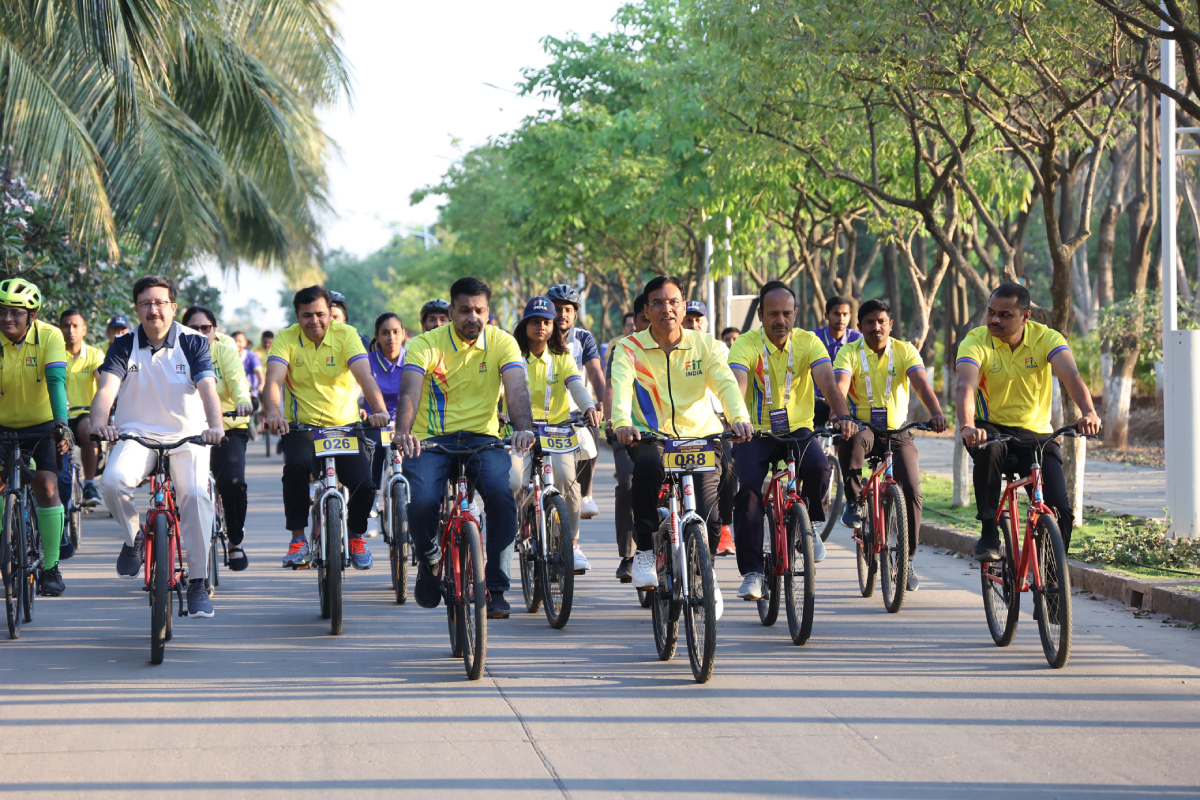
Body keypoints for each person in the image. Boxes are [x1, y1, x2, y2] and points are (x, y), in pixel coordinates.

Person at [610, 276, 753, 612]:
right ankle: (645, 550)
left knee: (711, 514)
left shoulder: (708, 346)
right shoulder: (628, 349)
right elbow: (620, 389)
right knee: (646, 469)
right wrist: (621, 423)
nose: (667, 309)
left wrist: (738, 417)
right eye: (657, 303)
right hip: (652, 437)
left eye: (673, 301)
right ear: (646, 310)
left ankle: (708, 573)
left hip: (700, 437)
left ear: (684, 306)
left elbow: (726, 384)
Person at [395, 277, 535, 619]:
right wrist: (402, 432)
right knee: (424, 501)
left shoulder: (502, 342)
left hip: (483, 440)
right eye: (464, 310)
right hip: (431, 441)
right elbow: (410, 391)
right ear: (450, 311)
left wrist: (524, 428)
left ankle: (497, 586)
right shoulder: (426, 343)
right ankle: (429, 562)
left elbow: (516, 388)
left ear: (488, 311)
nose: (473, 317)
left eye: (480, 310)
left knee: (502, 497)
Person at [91, 275, 226, 618]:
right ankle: (133, 537)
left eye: (160, 302)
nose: (153, 309)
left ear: (173, 307)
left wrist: (215, 426)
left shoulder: (193, 342)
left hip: (189, 438)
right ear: (136, 308)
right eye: (146, 303)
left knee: (195, 496)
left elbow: (208, 388)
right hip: (136, 435)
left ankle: (197, 582)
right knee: (112, 482)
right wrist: (99, 423)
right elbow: (106, 389)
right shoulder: (123, 344)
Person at [955, 283, 1101, 561]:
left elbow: (1070, 374)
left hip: (1036, 434)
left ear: (1026, 316)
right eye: (991, 312)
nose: (995, 319)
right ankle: (988, 531)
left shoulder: (1047, 338)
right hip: (989, 428)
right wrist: (967, 425)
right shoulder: (975, 341)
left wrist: (1089, 411)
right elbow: (965, 385)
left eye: (1005, 314)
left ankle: (1050, 579)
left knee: (1059, 508)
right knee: (990, 449)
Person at [727, 281, 847, 600]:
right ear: (760, 315)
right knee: (750, 492)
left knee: (820, 469)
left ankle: (807, 528)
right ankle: (752, 572)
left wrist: (843, 415)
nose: (780, 319)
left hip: (798, 429)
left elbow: (828, 382)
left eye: (786, 313)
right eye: (773, 313)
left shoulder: (808, 342)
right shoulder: (746, 344)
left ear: (795, 314)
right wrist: (737, 418)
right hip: (755, 431)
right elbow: (737, 382)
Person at [262, 286, 390, 572]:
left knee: (365, 483)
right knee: (295, 467)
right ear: (297, 315)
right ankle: (298, 540)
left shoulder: (347, 335)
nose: (314, 320)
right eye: (306, 315)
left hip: (344, 429)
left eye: (320, 314)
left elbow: (365, 377)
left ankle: (356, 536)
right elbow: (273, 381)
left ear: (330, 313)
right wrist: (273, 413)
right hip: (303, 428)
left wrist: (379, 410)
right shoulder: (286, 338)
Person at [834, 299, 947, 591]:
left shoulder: (905, 350)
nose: (876, 327)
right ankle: (856, 500)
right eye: (869, 322)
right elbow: (841, 384)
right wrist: (842, 416)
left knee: (911, 489)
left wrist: (936, 412)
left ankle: (906, 560)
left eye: (882, 321)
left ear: (890, 325)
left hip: (898, 432)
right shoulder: (849, 353)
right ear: (859, 327)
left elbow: (921, 383)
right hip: (864, 428)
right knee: (850, 437)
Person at [506, 296, 601, 572]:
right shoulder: (513, 357)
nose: (541, 327)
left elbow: (576, 385)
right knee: (513, 481)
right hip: (519, 431)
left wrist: (589, 407)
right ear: (525, 325)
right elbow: (498, 391)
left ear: (553, 327)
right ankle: (523, 525)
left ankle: (571, 544)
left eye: (546, 322)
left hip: (556, 431)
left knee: (568, 481)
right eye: (535, 321)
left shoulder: (562, 358)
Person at [0, 278, 70, 597]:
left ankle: (51, 567)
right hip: (2, 426)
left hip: (41, 425)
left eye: (15, 312)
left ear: (32, 316)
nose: (7, 319)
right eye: (1, 312)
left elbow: (55, 381)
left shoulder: (50, 336)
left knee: (46, 485)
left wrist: (62, 424)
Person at [182, 306, 254, 571]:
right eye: (194, 328)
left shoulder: (225, 352)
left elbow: (237, 382)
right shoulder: (172, 353)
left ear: (215, 330)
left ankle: (235, 541)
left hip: (228, 427)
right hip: (186, 431)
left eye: (206, 328)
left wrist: (243, 402)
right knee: (180, 488)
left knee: (232, 483)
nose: (200, 333)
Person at [546, 284, 606, 520]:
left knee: (592, 428)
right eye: (557, 309)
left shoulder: (583, 338)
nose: (562, 314)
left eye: (568, 310)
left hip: (575, 409)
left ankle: (585, 495)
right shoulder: (536, 335)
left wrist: (602, 404)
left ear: (575, 313)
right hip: (541, 411)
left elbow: (595, 374)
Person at [683, 300, 736, 557]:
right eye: (689, 319)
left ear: (707, 323)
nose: (693, 324)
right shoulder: (671, 347)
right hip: (677, 426)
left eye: (698, 320)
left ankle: (724, 525)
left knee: (727, 467)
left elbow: (729, 385)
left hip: (716, 423)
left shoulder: (718, 349)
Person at [603, 294, 650, 582]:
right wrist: (614, 423)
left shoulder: (686, 346)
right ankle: (629, 554)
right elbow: (611, 388)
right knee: (629, 480)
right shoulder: (624, 350)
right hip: (629, 433)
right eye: (645, 318)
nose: (654, 322)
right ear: (635, 321)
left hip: (672, 436)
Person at [58, 308, 104, 508]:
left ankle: (90, 485)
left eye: (75, 326)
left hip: (84, 413)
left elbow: (102, 379)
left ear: (84, 330)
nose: (71, 330)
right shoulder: (54, 353)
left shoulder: (95, 354)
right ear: (59, 329)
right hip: (58, 414)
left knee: (88, 431)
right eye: (66, 326)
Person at [362, 312, 405, 490]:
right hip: (374, 424)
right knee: (378, 448)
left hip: (408, 423)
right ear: (377, 336)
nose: (391, 337)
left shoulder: (414, 360)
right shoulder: (365, 362)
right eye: (385, 332)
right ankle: (372, 494)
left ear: (403, 334)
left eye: (396, 332)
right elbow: (354, 387)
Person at [813, 296, 861, 429]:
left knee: (845, 438)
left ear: (850, 316)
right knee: (810, 438)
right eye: (836, 314)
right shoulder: (814, 338)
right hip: (818, 399)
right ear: (826, 315)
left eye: (845, 314)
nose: (841, 318)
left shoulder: (858, 340)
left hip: (849, 401)